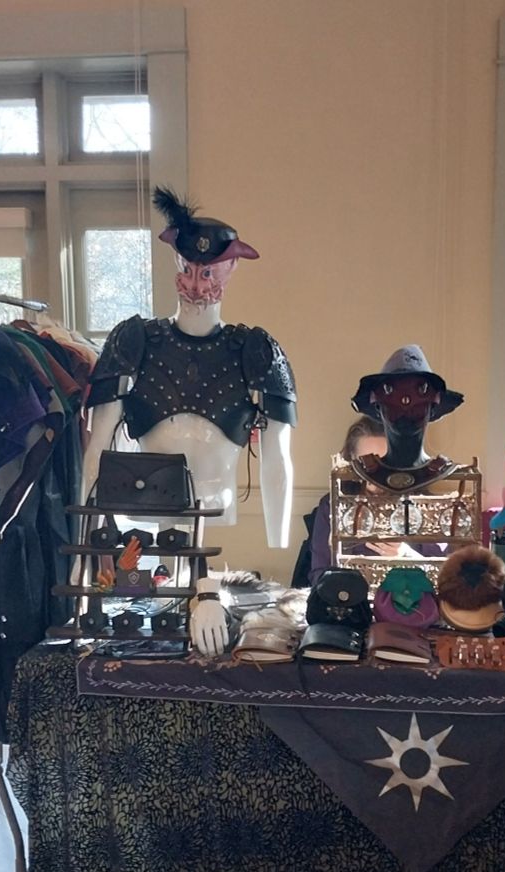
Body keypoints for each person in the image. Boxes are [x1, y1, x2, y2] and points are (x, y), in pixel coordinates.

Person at [83, 187, 298, 654]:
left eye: (210, 271)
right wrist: (89, 538)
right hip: (145, 516)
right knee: (149, 610)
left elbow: (278, 454)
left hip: (219, 509)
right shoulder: (133, 340)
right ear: (176, 262)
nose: (199, 283)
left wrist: (277, 543)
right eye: (190, 268)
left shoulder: (256, 351)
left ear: (232, 268)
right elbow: (98, 442)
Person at [305, 416, 445, 585]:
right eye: (366, 463)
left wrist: (405, 556)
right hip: (351, 604)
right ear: (351, 460)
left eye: (385, 463)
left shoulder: (427, 506)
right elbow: (318, 575)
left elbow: (445, 579)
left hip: (412, 607)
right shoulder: (333, 504)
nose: (376, 474)